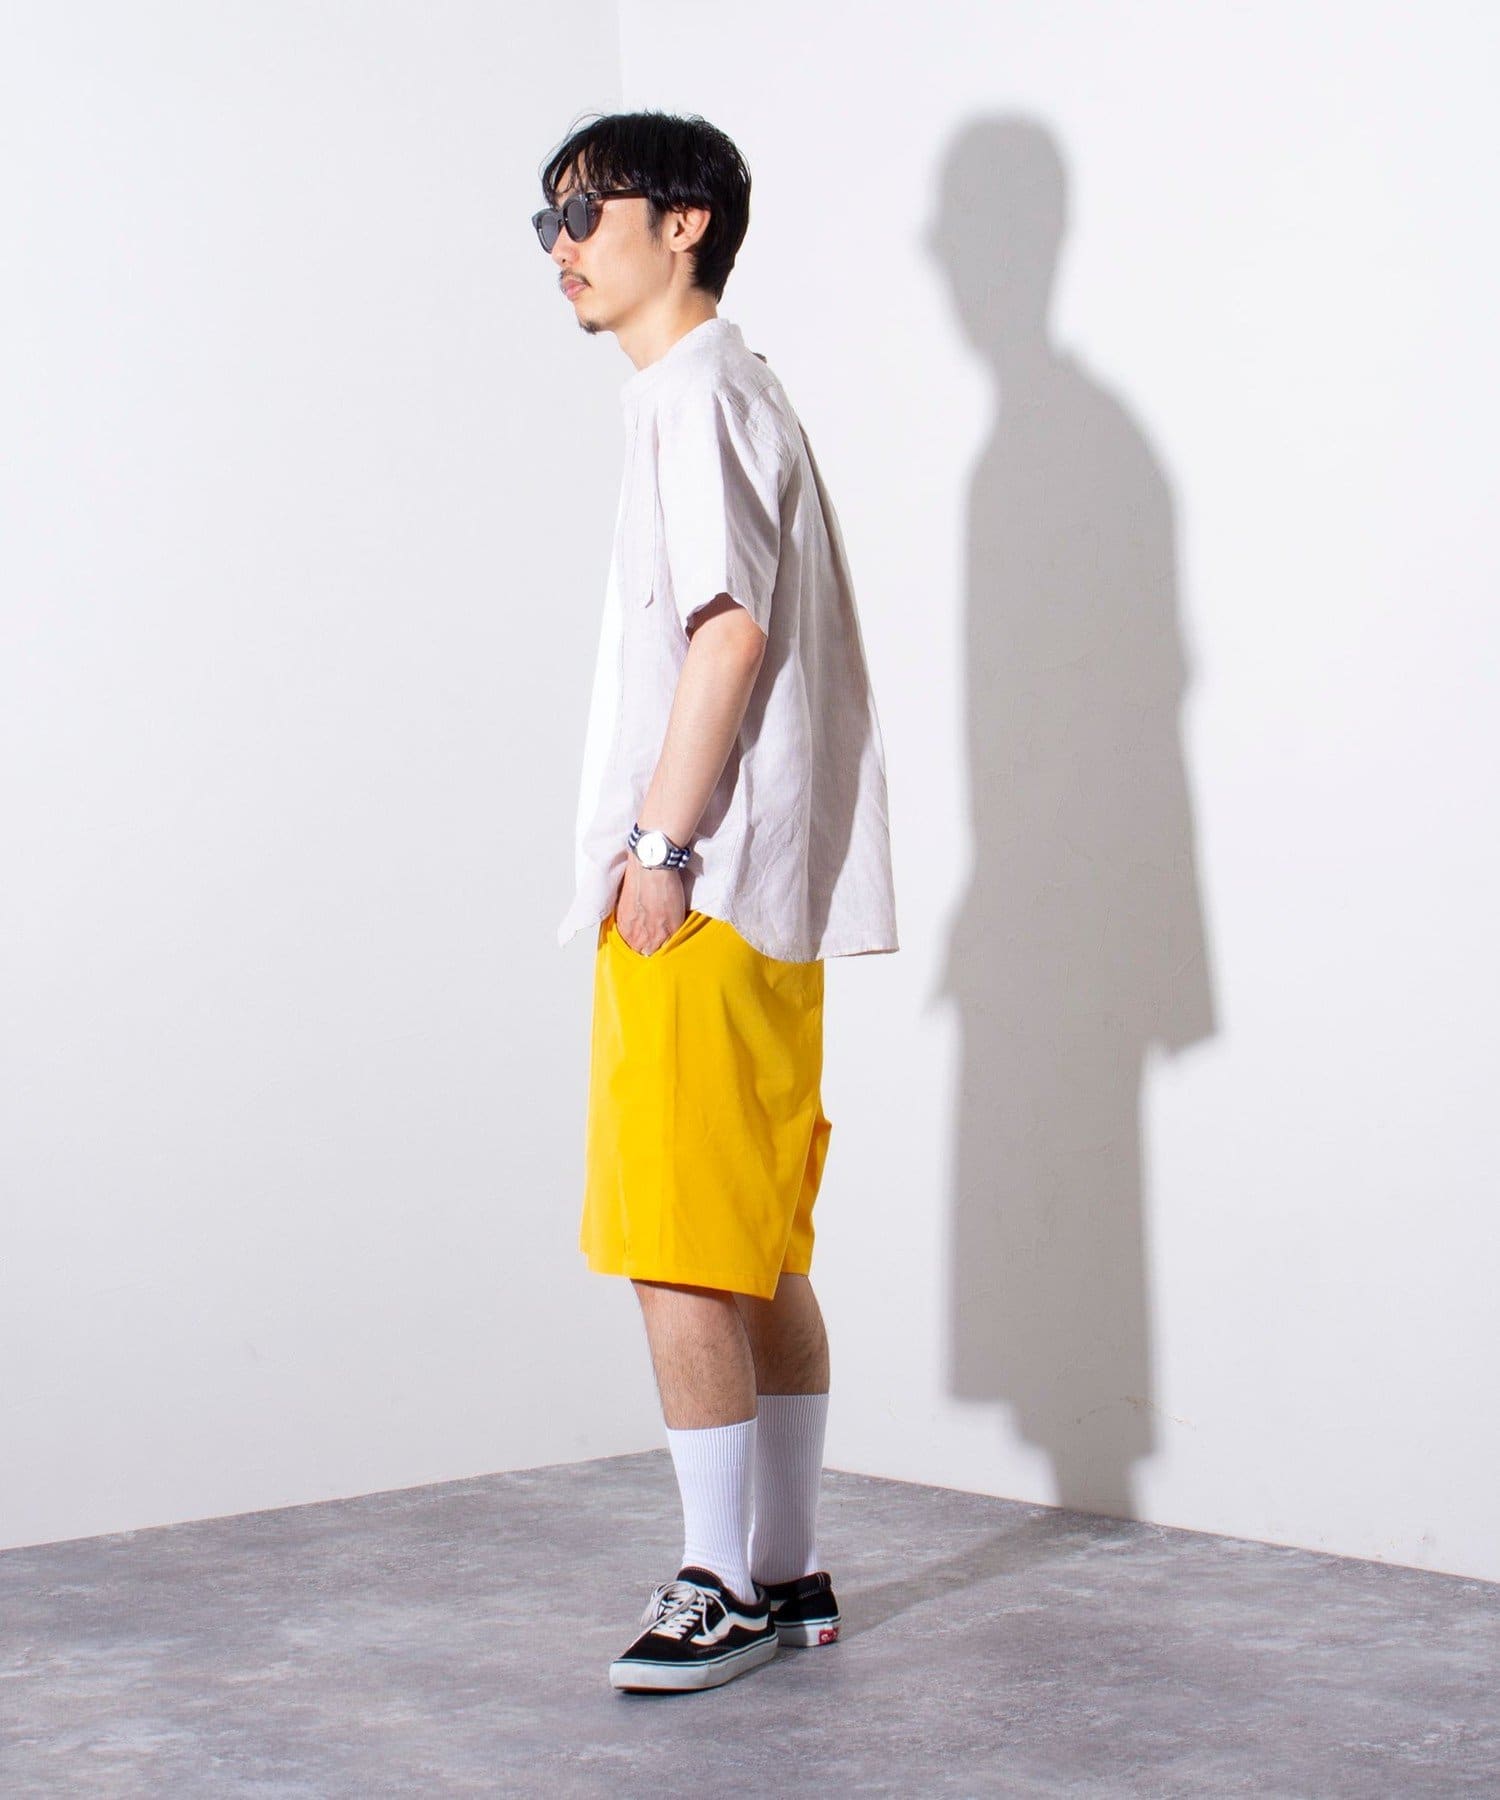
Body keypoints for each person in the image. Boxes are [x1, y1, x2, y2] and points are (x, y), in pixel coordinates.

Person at [536, 109, 899, 1693]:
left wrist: (661, 850)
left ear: (682, 223)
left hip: (702, 887)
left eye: (586, 213)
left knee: (681, 1245)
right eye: (545, 222)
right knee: (757, 1244)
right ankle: (791, 1570)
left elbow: (727, 631)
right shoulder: (737, 387)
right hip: (766, 890)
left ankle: (718, 1584)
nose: (560, 247)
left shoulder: (695, 393)